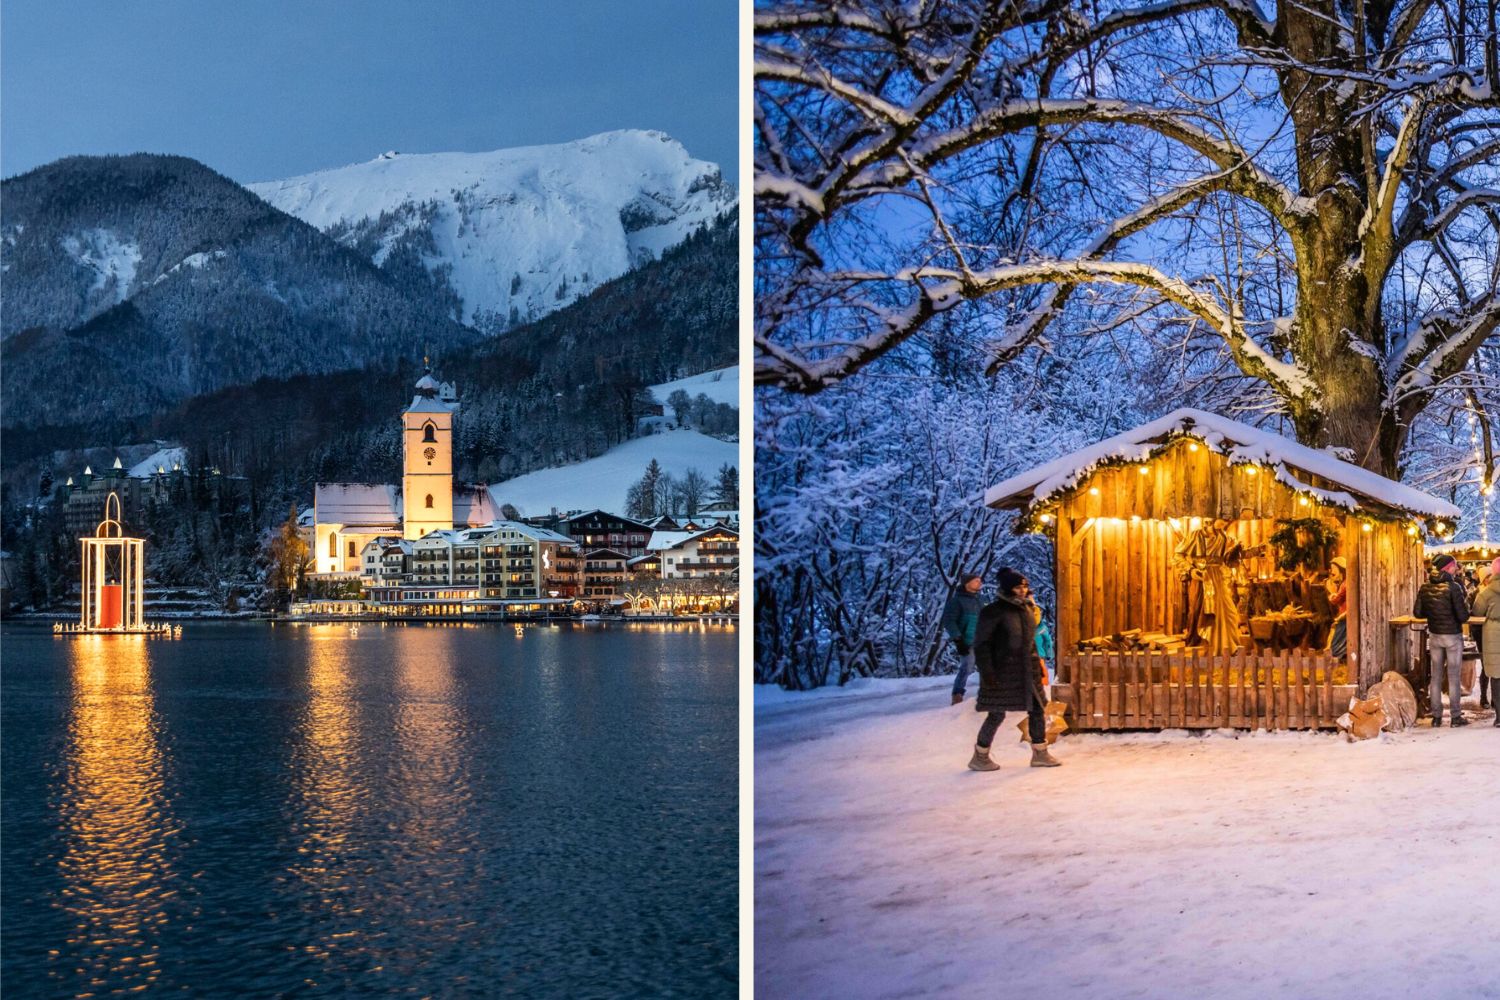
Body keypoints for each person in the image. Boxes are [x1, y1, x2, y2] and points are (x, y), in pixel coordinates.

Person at [967, 568, 1060, 770]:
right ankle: (980, 755)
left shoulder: (1026, 610)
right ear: (1008, 588)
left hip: (1027, 670)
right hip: (1002, 671)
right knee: (996, 714)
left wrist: (1038, 665)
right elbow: (981, 644)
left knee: (1037, 709)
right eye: (1018, 587)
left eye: (1025, 586)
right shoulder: (993, 612)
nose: (1022, 590)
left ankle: (1040, 753)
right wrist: (987, 671)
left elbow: (1030, 642)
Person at [1413, 553, 1471, 727]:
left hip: (1435, 635)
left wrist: (1434, 612)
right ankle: (1455, 717)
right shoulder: (1454, 587)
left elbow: (1418, 613)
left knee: (1436, 676)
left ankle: (1437, 717)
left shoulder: (1425, 587)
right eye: (1453, 566)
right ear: (1447, 568)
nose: (1456, 568)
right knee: (1453, 676)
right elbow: (1463, 616)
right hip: (1452, 636)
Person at [943, 573, 984, 705]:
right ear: (967, 583)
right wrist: (958, 639)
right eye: (976, 581)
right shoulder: (956, 601)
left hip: (982, 639)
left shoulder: (980, 600)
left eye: (980, 581)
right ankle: (957, 693)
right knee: (967, 666)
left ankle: (989, 692)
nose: (980, 583)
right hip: (966, 640)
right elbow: (949, 621)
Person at [1471, 560, 1500, 726]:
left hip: (1492, 634)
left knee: (1496, 676)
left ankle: (1499, 716)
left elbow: (1476, 612)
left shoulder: (1486, 592)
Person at [1326, 557, 1348, 659]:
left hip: (1345, 615)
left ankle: (1336, 654)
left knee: (1337, 637)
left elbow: (1337, 600)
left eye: (1334, 568)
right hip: (1345, 613)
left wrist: (1331, 594)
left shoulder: (1344, 585)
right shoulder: (1345, 583)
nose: (1332, 571)